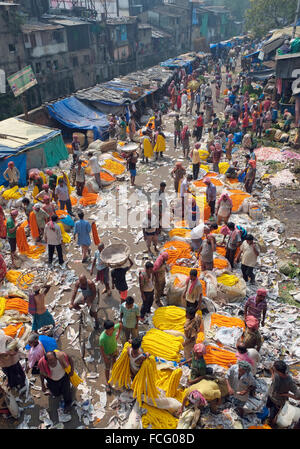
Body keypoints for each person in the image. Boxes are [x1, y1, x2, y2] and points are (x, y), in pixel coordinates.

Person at [266, 360, 300, 427]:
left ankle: (271, 425)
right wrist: (272, 372)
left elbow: (298, 396)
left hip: (277, 402)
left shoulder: (289, 381)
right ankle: (268, 417)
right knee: (268, 409)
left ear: (279, 371)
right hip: (270, 396)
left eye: (275, 369)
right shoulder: (276, 374)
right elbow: (272, 374)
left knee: (273, 417)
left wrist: (286, 394)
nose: (274, 370)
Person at [99, 320, 121, 393]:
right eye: (112, 329)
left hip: (114, 350)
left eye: (113, 328)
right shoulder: (102, 338)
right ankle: (107, 383)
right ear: (107, 329)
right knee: (107, 368)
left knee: (114, 364)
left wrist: (118, 335)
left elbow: (120, 325)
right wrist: (105, 358)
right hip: (107, 354)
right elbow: (101, 349)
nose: (114, 329)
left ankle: (114, 374)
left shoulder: (113, 329)